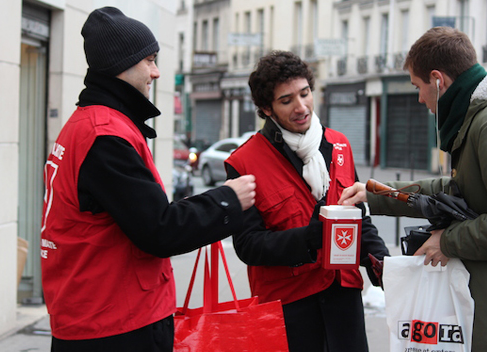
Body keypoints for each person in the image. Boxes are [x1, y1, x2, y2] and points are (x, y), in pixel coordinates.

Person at [339, 27, 487, 351]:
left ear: (439, 80)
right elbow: (455, 191)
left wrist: (447, 242)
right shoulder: (483, 119)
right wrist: (377, 192)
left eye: (418, 87)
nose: (420, 99)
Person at [40, 7, 256, 352]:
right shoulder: (105, 135)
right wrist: (227, 199)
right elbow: (159, 229)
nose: (155, 72)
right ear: (120, 65)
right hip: (113, 324)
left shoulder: (88, 124)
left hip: (96, 315)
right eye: (149, 60)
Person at [224, 50, 390, 352]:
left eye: (305, 94)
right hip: (288, 306)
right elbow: (247, 244)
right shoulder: (243, 162)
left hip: (343, 301)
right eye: (287, 100)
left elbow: (358, 218)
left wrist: (379, 260)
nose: (302, 107)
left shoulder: (339, 143)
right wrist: (308, 238)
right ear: (267, 108)